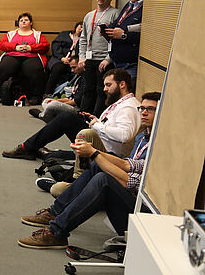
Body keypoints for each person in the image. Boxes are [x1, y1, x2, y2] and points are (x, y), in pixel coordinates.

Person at [17, 92, 160, 249]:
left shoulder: (160, 145)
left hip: (142, 218)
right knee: (95, 166)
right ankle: (55, 211)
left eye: (151, 109)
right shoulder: (143, 136)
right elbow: (127, 165)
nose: (144, 112)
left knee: (101, 179)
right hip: (125, 195)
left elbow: (131, 182)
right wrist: (93, 151)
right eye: (143, 108)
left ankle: (56, 231)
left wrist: (94, 152)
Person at [2, 68, 140, 160]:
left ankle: (32, 149)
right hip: (99, 139)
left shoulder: (129, 107)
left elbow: (124, 136)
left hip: (107, 153)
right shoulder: (122, 102)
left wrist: (97, 125)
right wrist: (95, 120)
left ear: (122, 84)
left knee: (54, 156)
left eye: (108, 85)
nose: (104, 89)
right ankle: (28, 147)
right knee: (66, 119)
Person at [77, 0, 119, 115]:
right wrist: (82, 57)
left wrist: (108, 59)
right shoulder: (89, 15)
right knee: (88, 89)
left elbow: (116, 41)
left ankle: (95, 119)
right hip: (89, 59)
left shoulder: (115, 14)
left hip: (105, 61)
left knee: (102, 91)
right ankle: (82, 116)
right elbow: (83, 38)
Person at [0, 12, 49, 105]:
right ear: (18, 23)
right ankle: (2, 95)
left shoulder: (37, 34)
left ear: (31, 23)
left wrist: (31, 48)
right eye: (21, 20)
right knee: (3, 67)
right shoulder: (11, 34)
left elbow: (45, 46)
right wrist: (15, 47)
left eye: (26, 20)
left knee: (35, 70)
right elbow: (2, 44)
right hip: (13, 55)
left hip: (31, 56)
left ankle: (35, 97)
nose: (23, 22)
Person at [103, 0, 144, 82]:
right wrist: (107, 28)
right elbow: (118, 23)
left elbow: (146, 36)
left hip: (130, 64)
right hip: (118, 61)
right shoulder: (129, 5)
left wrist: (123, 35)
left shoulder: (145, 8)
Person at [45, 21, 83, 96]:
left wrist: (73, 60)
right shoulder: (64, 34)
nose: (81, 29)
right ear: (76, 26)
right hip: (59, 58)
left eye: (83, 28)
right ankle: (47, 93)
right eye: (80, 27)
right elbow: (55, 46)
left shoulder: (83, 40)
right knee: (58, 68)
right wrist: (62, 58)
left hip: (74, 61)